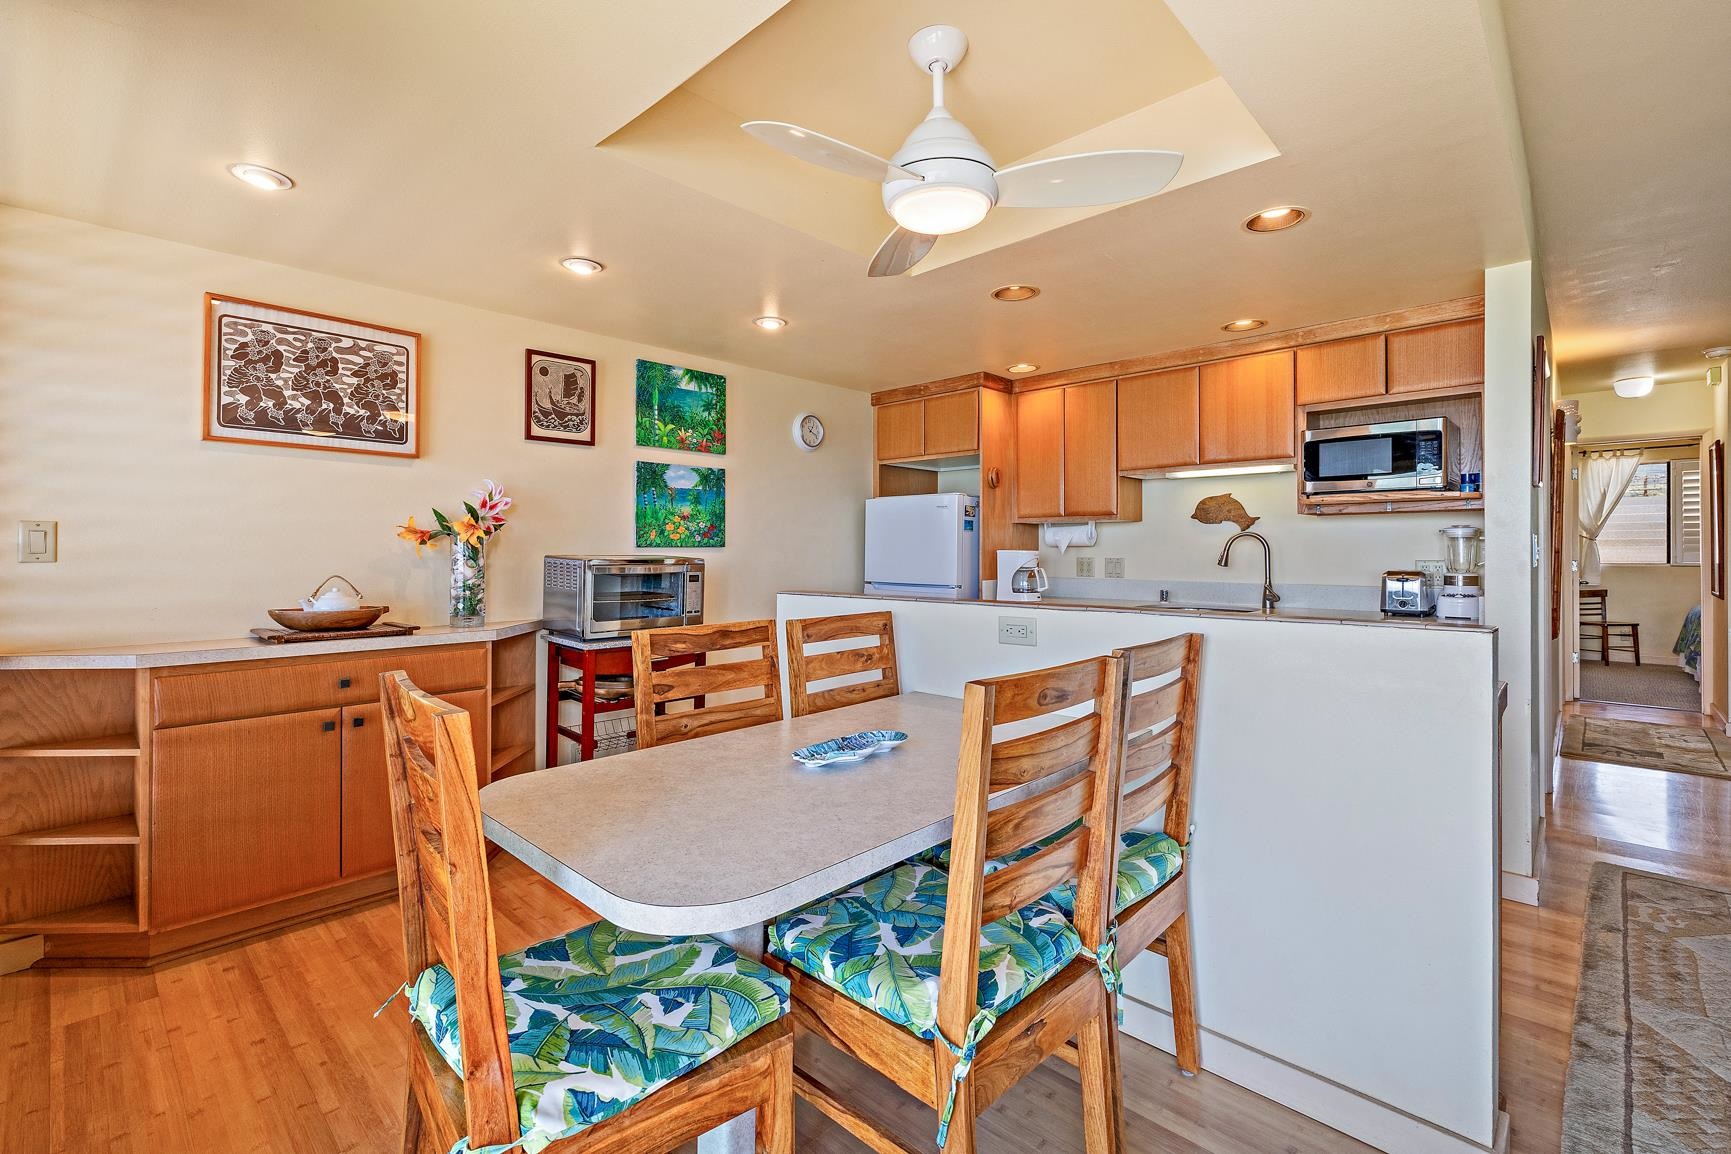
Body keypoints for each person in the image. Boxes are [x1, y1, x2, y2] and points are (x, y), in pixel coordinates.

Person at [224, 326, 288, 425]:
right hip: (244, 375)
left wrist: (264, 369)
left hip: (263, 377)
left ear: (269, 341)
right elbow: (234, 356)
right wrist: (251, 352)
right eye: (259, 339)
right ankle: (244, 415)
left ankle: (275, 415)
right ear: (255, 338)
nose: (261, 342)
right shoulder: (246, 345)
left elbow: (277, 368)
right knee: (256, 396)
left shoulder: (275, 352)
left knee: (281, 399)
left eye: (264, 341)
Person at [288, 333, 347, 431]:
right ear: (314, 345)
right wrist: (313, 358)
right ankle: (304, 420)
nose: (320, 349)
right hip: (305, 380)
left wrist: (324, 371)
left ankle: (335, 422)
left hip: (322, 380)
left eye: (323, 347)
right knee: (317, 401)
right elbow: (296, 359)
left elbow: (334, 372)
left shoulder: (331, 358)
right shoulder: (307, 352)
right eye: (318, 346)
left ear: (327, 348)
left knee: (339, 401)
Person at [348, 347, 403, 439]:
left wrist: (382, 385)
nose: (381, 364)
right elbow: (354, 374)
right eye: (379, 361)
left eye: (384, 363)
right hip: (362, 393)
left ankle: (392, 427)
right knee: (375, 411)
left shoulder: (391, 372)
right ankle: (367, 428)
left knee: (395, 411)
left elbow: (393, 385)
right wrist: (368, 371)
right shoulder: (368, 366)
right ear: (376, 360)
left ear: (388, 363)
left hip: (379, 394)